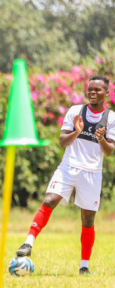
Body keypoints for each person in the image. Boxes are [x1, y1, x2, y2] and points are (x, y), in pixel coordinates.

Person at [15, 76, 115, 275]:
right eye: (90, 89)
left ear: (106, 93)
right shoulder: (75, 111)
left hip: (92, 173)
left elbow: (110, 151)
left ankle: (84, 265)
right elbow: (62, 141)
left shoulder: (111, 118)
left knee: (87, 219)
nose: (92, 93)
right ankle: (28, 243)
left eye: (97, 90)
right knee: (50, 199)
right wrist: (77, 132)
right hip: (68, 167)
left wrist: (101, 139)